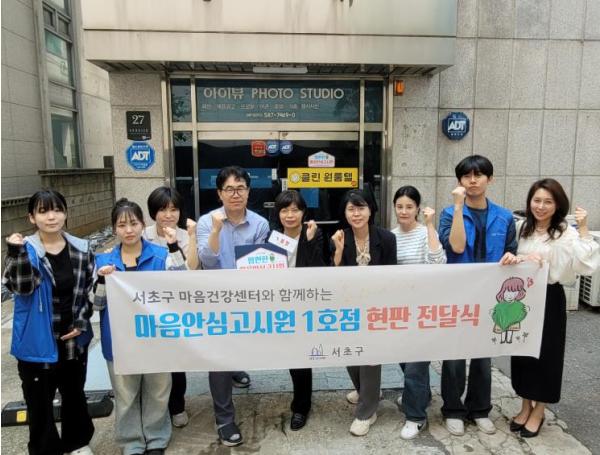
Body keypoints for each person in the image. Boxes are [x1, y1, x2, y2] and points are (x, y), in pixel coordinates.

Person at [499, 178, 599, 438]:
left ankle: (539, 410)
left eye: (548, 202)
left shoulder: (565, 232)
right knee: (522, 352)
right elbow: (514, 258)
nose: (541, 206)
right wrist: (517, 259)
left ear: (558, 205)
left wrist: (584, 228)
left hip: (549, 296)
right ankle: (525, 405)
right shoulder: (523, 228)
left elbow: (586, 263)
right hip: (522, 297)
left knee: (547, 356)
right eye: (537, 200)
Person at [3, 190, 95, 455]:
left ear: (66, 213)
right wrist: (16, 252)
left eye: (57, 209)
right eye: (43, 211)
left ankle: (77, 443)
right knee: (39, 403)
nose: (51, 216)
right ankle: (45, 449)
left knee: (74, 394)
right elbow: (22, 287)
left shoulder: (81, 249)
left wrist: (81, 323)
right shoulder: (25, 249)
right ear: (32, 217)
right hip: (36, 341)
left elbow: (89, 291)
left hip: (72, 338)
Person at [93, 199, 186, 455]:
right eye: (122, 225)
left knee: (158, 391)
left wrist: (174, 246)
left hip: (156, 338)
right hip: (119, 341)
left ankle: (156, 439)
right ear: (114, 229)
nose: (128, 230)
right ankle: (131, 442)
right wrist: (102, 281)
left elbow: (183, 284)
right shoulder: (103, 261)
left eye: (133, 223)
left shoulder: (160, 255)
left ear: (143, 224)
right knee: (125, 396)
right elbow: (96, 304)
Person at [438, 155, 517, 436]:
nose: (473, 181)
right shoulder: (449, 214)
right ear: (459, 181)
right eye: (467, 176)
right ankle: (453, 409)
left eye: (479, 175)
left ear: (489, 179)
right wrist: (459, 207)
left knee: (484, 355)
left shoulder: (504, 216)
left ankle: (480, 409)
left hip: (492, 295)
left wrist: (512, 257)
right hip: (458, 293)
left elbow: (512, 251)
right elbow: (456, 248)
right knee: (455, 355)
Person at [196, 166, 269, 446]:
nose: (235, 194)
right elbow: (207, 260)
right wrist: (216, 230)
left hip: (247, 297)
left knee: (238, 343)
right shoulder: (207, 222)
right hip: (216, 298)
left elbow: (260, 264)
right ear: (219, 193)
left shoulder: (260, 224)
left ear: (248, 192)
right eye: (229, 189)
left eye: (240, 188)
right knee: (218, 357)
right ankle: (224, 419)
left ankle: (235, 369)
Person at [331, 189, 397, 436]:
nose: (356, 213)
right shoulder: (338, 237)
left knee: (370, 356)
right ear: (345, 213)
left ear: (371, 210)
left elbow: (391, 276)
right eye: (351, 209)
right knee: (350, 353)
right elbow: (330, 279)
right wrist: (338, 252)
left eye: (361, 208)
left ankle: (367, 411)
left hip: (376, 307)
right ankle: (367, 390)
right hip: (347, 307)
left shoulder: (386, 238)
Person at [391, 185, 446, 439]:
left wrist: (430, 224)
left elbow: (438, 262)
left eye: (409, 207)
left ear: (417, 208)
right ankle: (422, 394)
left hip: (424, 310)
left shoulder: (426, 233)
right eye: (399, 206)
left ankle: (415, 416)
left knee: (415, 365)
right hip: (400, 311)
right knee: (405, 360)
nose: (404, 211)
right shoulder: (390, 236)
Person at [145, 186, 199, 428]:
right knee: (153, 360)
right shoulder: (142, 234)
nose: (168, 215)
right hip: (148, 307)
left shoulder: (186, 235)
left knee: (176, 361)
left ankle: (177, 406)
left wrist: (191, 237)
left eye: (174, 209)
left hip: (177, 307)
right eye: (163, 209)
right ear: (153, 212)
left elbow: (192, 269)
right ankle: (154, 409)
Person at [272, 190, 326, 431]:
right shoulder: (273, 237)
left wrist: (311, 241)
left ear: (304, 212)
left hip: (305, 305)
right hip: (280, 305)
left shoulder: (314, 233)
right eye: (284, 210)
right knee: (290, 355)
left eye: (295, 210)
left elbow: (319, 271)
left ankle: (301, 407)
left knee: (301, 357)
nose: (290, 215)